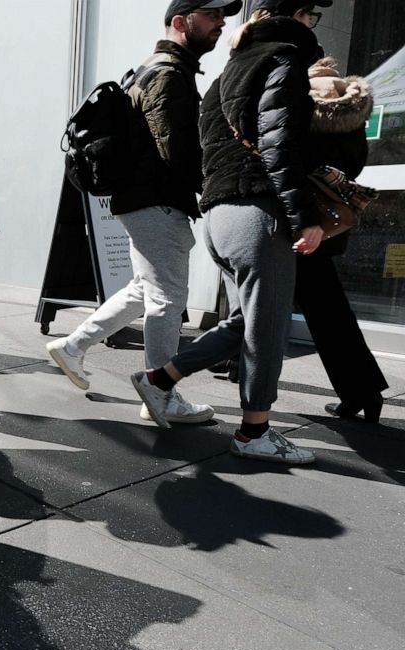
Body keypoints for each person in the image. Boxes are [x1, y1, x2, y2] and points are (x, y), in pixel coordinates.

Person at [132, 0, 331, 465]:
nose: (312, 24)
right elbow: (277, 142)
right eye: (311, 15)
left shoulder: (225, 72)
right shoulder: (283, 58)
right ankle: (253, 433)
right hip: (258, 213)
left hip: (220, 217)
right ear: (296, 16)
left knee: (244, 323)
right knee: (268, 328)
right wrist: (305, 217)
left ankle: (159, 379)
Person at [46, 0, 240, 426]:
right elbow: (177, 149)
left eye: (222, 16)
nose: (220, 23)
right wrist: (214, 190)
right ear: (179, 22)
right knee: (168, 299)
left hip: (141, 201)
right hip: (156, 201)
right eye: (210, 15)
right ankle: (161, 392)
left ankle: (73, 346)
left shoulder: (152, 68)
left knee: (144, 289)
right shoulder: (169, 74)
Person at [297, 55, 387, 423]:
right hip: (331, 221)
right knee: (331, 312)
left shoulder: (302, 104)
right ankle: (364, 391)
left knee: (258, 303)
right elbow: (354, 166)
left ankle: (239, 372)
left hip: (300, 220)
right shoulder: (354, 116)